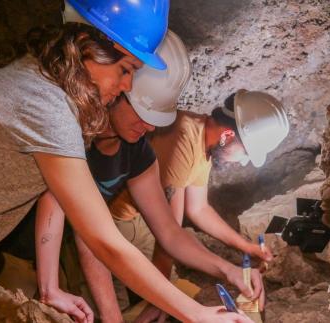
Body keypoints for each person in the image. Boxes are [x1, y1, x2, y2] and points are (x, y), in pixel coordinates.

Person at [0, 1, 251, 322]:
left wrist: (50, 288)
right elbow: (102, 240)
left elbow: (53, 196)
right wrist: (197, 314)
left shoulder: (43, 89)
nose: (127, 82)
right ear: (88, 47)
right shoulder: (46, 107)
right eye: (126, 69)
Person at [35, 31, 265, 323]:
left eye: (156, 118)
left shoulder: (138, 151)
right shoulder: (74, 137)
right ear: (118, 92)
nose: (149, 127)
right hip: (29, 243)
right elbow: (90, 235)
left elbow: (169, 232)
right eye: (144, 113)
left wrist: (229, 270)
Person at [109, 89, 291, 321]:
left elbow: (198, 209)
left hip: (140, 223)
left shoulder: (203, 142)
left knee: (168, 295)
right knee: (114, 310)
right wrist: (162, 300)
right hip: (109, 221)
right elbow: (169, 236)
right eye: (245, 152)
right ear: (227, 135)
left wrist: (247, 248)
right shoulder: (182, 138)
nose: (243, 161)